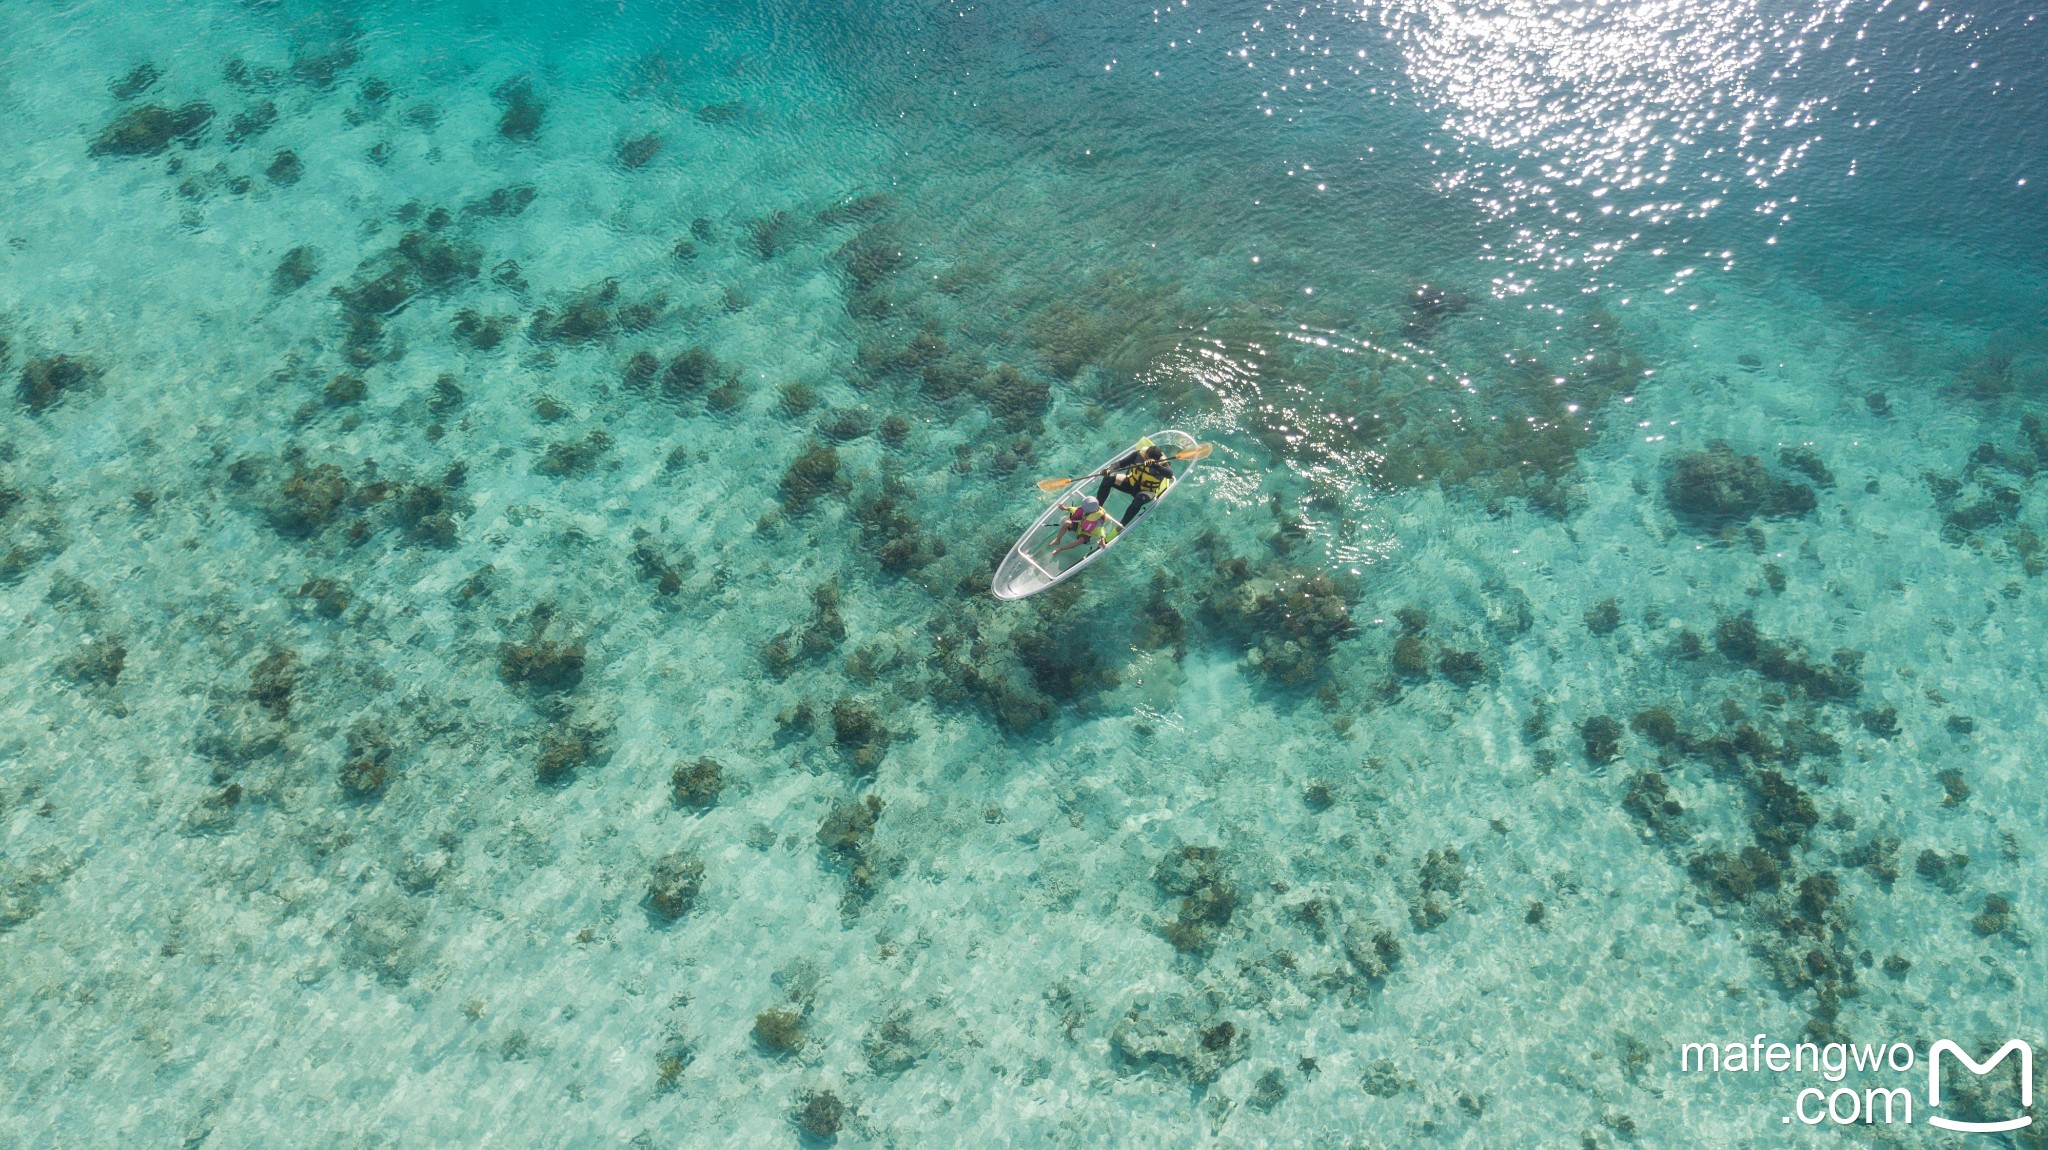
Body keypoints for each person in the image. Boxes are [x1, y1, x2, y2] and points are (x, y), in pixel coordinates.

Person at [1095, 441, 1175, 525]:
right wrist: (1110, 469)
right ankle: (1096, 509)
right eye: (1145, 456)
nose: (1144, 458)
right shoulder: (1138, 454)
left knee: (1138, 500)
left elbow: (1169, 474)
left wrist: (1154, 465)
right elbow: (1121, 463)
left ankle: (1121, 525)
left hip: (1146, 491)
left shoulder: (1163, 464)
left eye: (1146, 458)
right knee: (1108, 479)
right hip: (1130, 483)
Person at [1047, 495, 1114, 554]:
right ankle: (1057, 540)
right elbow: (1075, 509)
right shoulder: (1085, 509)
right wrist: (1065, 508)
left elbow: (1101, 530)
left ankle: (1061, 549)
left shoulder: (1097, 518)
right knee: (1067, 523)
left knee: (1080, 541)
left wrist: (1102, 540)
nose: (1082, 509)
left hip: (1087, 533)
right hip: (1079, 526)